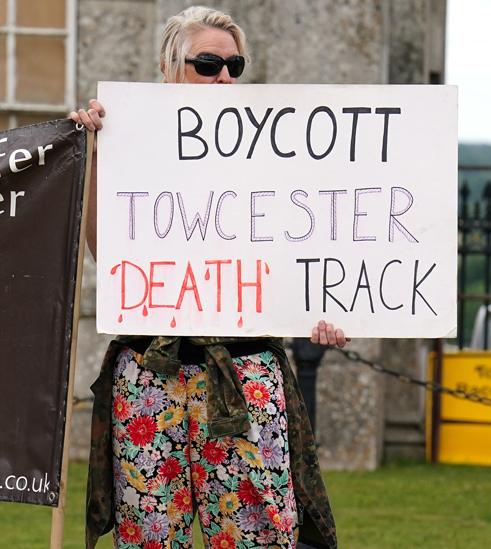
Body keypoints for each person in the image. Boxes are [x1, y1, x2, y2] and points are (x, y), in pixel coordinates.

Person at [72, 6, 342, 549]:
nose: (224, 77)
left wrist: (339, 312)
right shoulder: (127, 140)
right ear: (170, 66)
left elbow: (311, 245)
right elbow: (109, 251)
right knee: (151, 536)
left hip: (245, 373)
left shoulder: (271, 153)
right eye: (209, 63)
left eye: (234, 65)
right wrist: (98, 154)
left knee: (255, 535)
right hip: (151, 373)